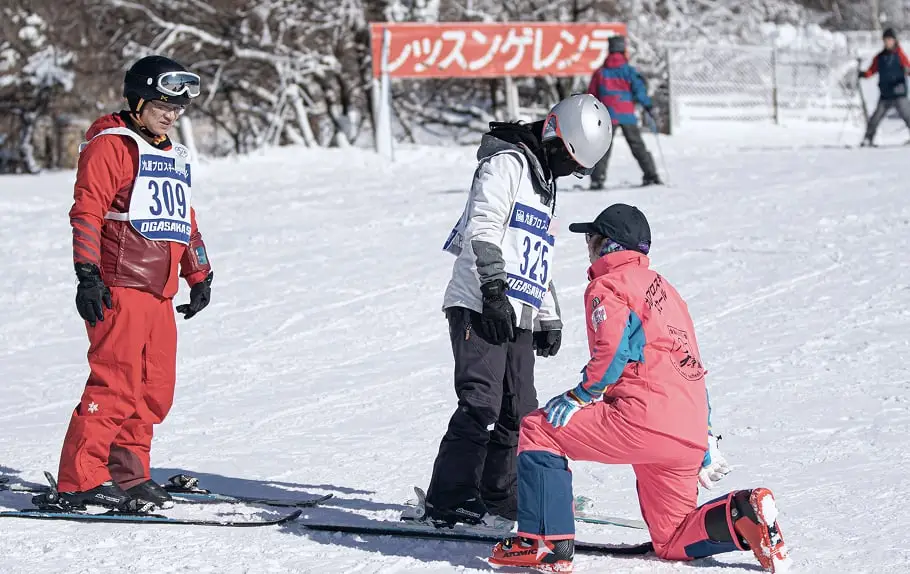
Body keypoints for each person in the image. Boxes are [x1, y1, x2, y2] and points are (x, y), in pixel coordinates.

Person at [489, 204, 790, 573]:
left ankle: (543, 544)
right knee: (672, 539)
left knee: (539, 429)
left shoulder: (609, 285)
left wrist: (580, 395)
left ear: (608, 244)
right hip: (686, 433)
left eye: (591, 237)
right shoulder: (667, 291)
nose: (588, 245)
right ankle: (745, 512)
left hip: (642, 420)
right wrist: (704, 432)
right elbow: (689, 360)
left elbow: (612, 351)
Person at [412, 94, 614, 529]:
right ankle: (448, 500)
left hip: (517, 309)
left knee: (520, 410)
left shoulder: (544, 180)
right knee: (480, 403)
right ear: (555, 139)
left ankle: (499, 494)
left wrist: (547, 314)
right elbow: (481, 228)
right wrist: (492, 291)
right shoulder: (506, 164)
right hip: (480, 301)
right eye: (572, 165)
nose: (571, 174)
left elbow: (535, 251)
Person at [55, 55, 213, 511]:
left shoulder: (170, 152)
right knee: (115, 384)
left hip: (160, 291)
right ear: (139, 98)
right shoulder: (112, 145)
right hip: (120, 284)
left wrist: (198, 273)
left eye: (177, 108)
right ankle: (80, 479)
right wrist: (87, 275)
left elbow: (184, 218)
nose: (171, 114)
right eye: (163, 104)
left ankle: (129, 473)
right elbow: (86, 211)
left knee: (154, 389)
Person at [587, 35, 661, 189]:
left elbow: (592, 94)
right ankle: (651, 175)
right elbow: (639, 92)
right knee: (637, 146)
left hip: (607, 115)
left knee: (603, 147)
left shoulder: (600, 72)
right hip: (627, 114)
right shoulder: (629, 71)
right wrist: (649, 106)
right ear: (623, 50)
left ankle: (597, 178)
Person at [859, 28, 910, 146]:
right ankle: (868, 138)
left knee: (907, 116)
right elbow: (872, 70)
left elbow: (908, 68)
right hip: (885, 93)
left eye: (890, 40)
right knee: (875, 118)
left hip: (899, 92)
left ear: (894, 41)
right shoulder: (880, 57)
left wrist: (906, 70)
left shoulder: (900, 55)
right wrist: (863, 74)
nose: (888, 42)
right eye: (886, 40)